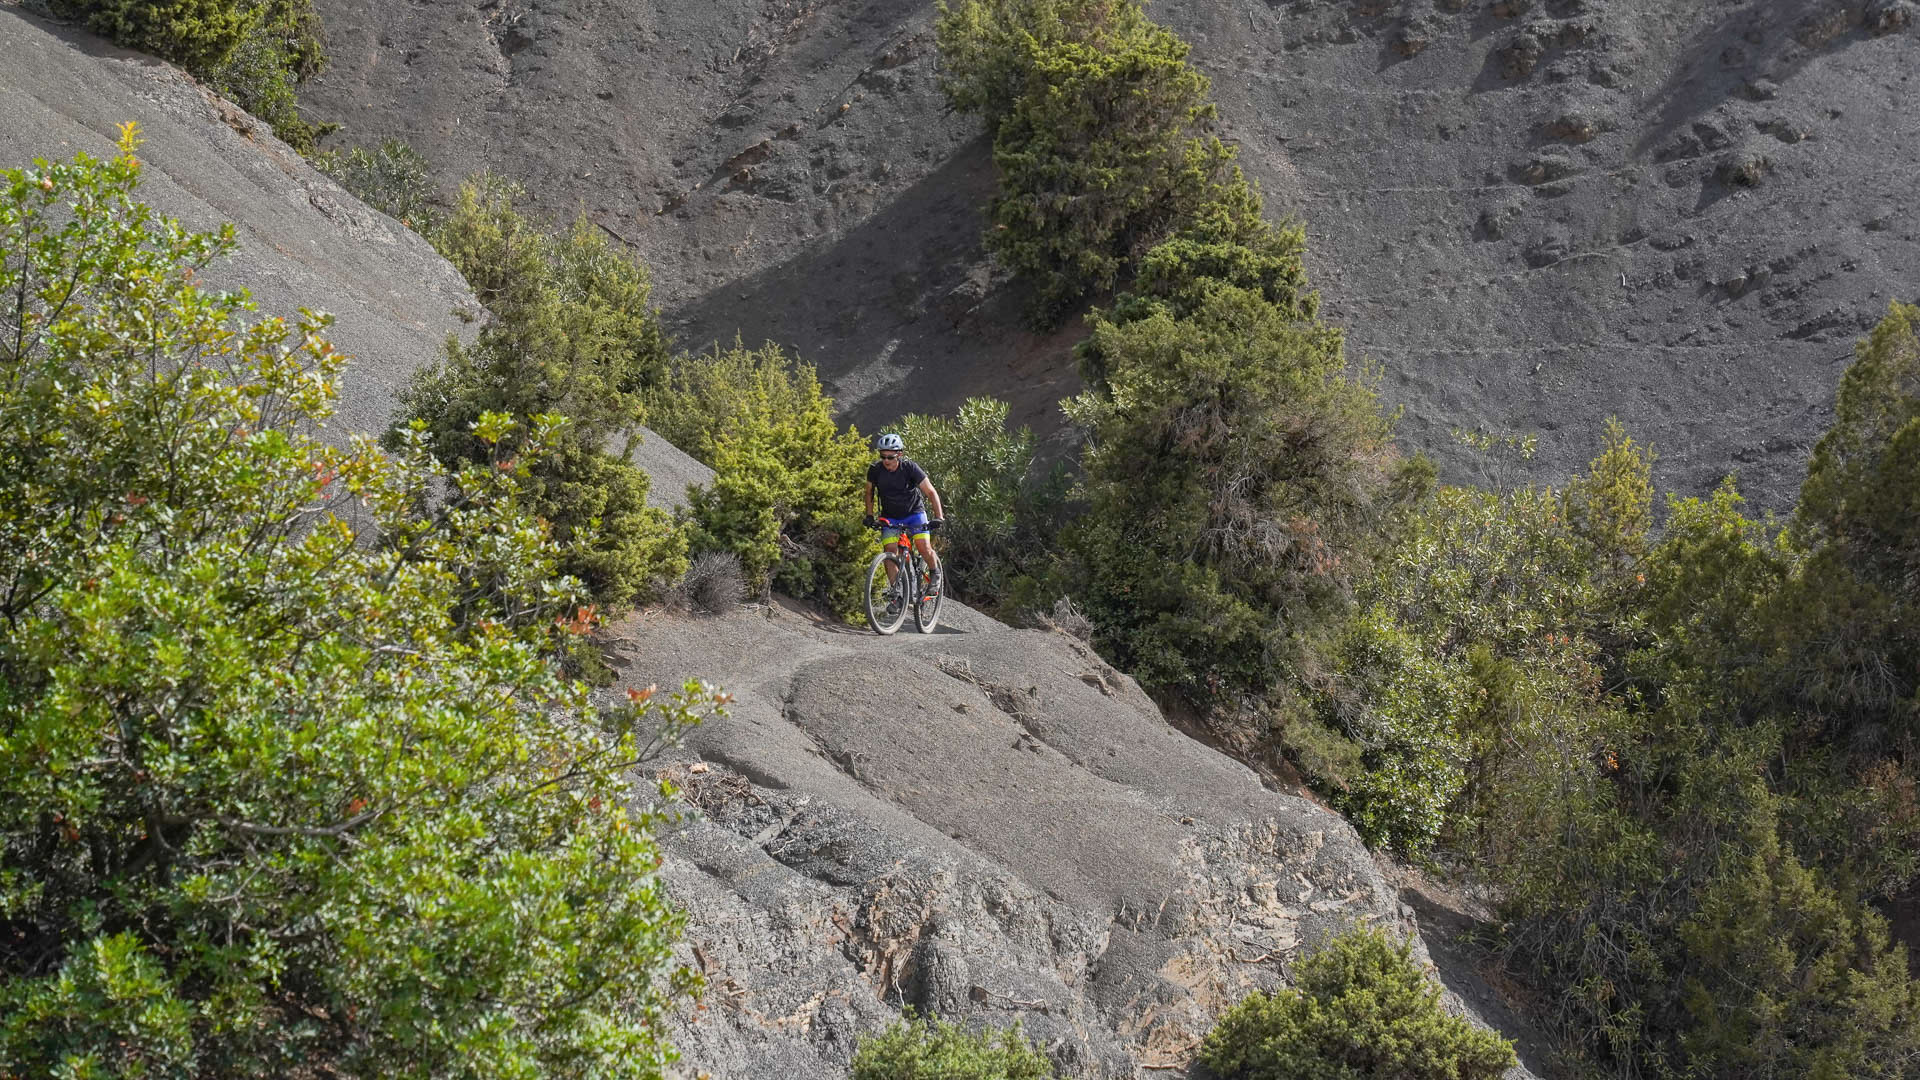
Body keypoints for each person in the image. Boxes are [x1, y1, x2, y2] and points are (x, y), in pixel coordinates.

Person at [862, 433, 944, 609]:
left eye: (890, 457)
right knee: (889, 552)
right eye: (883, 456)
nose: (886, 460)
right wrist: (869, 516)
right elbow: (869, 493)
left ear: (899, 454)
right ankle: (897, 594)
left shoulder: (910, 468)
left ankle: (935, 573)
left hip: (914, 513)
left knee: (923, 546)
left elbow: (930, 492)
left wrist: (939, 517)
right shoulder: (875, 470)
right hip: (890, 516)